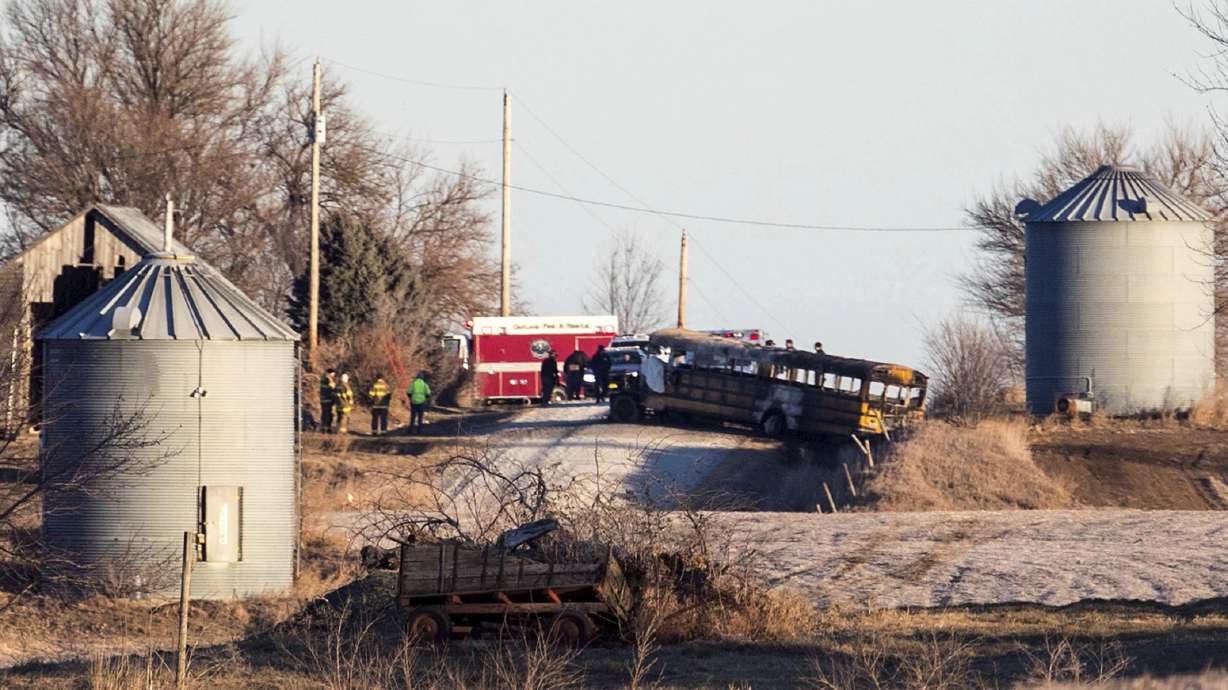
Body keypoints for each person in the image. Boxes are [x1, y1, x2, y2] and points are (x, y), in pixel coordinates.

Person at [318, 368, 338, 433]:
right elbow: (332, 389)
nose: (334, 375)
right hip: (328, 400)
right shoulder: (328, 380)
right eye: (333, 373)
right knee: (328, 414)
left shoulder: (323, 379)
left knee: (324, 413)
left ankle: (323, 428)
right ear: (331, 373)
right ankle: (327, 428)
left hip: (323, 400)